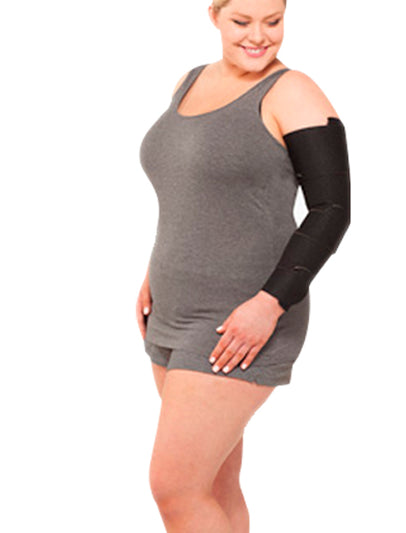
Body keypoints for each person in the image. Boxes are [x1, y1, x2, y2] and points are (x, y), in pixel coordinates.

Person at [135, 0, 351, 531]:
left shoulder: (293, 91)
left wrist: (270, 303)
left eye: (273, 21)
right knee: (212, 485)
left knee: (175, 488)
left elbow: (331, 211)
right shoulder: (188, 82)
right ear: (214, 16)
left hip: (243, 319)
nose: (259, 36)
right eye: (242, 21)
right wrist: (152, 273)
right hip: (171, 309)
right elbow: (191, 195)